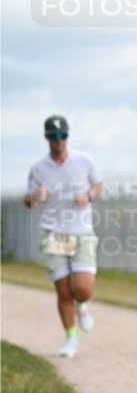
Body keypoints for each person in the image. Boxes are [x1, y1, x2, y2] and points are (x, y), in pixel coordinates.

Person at [23, 115, 103, 358]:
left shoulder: (84, 160)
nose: (59, 141)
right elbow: (26, 201)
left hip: (81, 230)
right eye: (54, 136)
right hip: (54, 232)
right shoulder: (38, 169)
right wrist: (34, 196)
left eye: (63, 136)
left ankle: (83, 305)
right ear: (46, 137)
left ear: (67, 136)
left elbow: (98, 185)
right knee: (63, 290)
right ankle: (70, 338)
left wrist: (88, 196)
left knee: (83, 288)